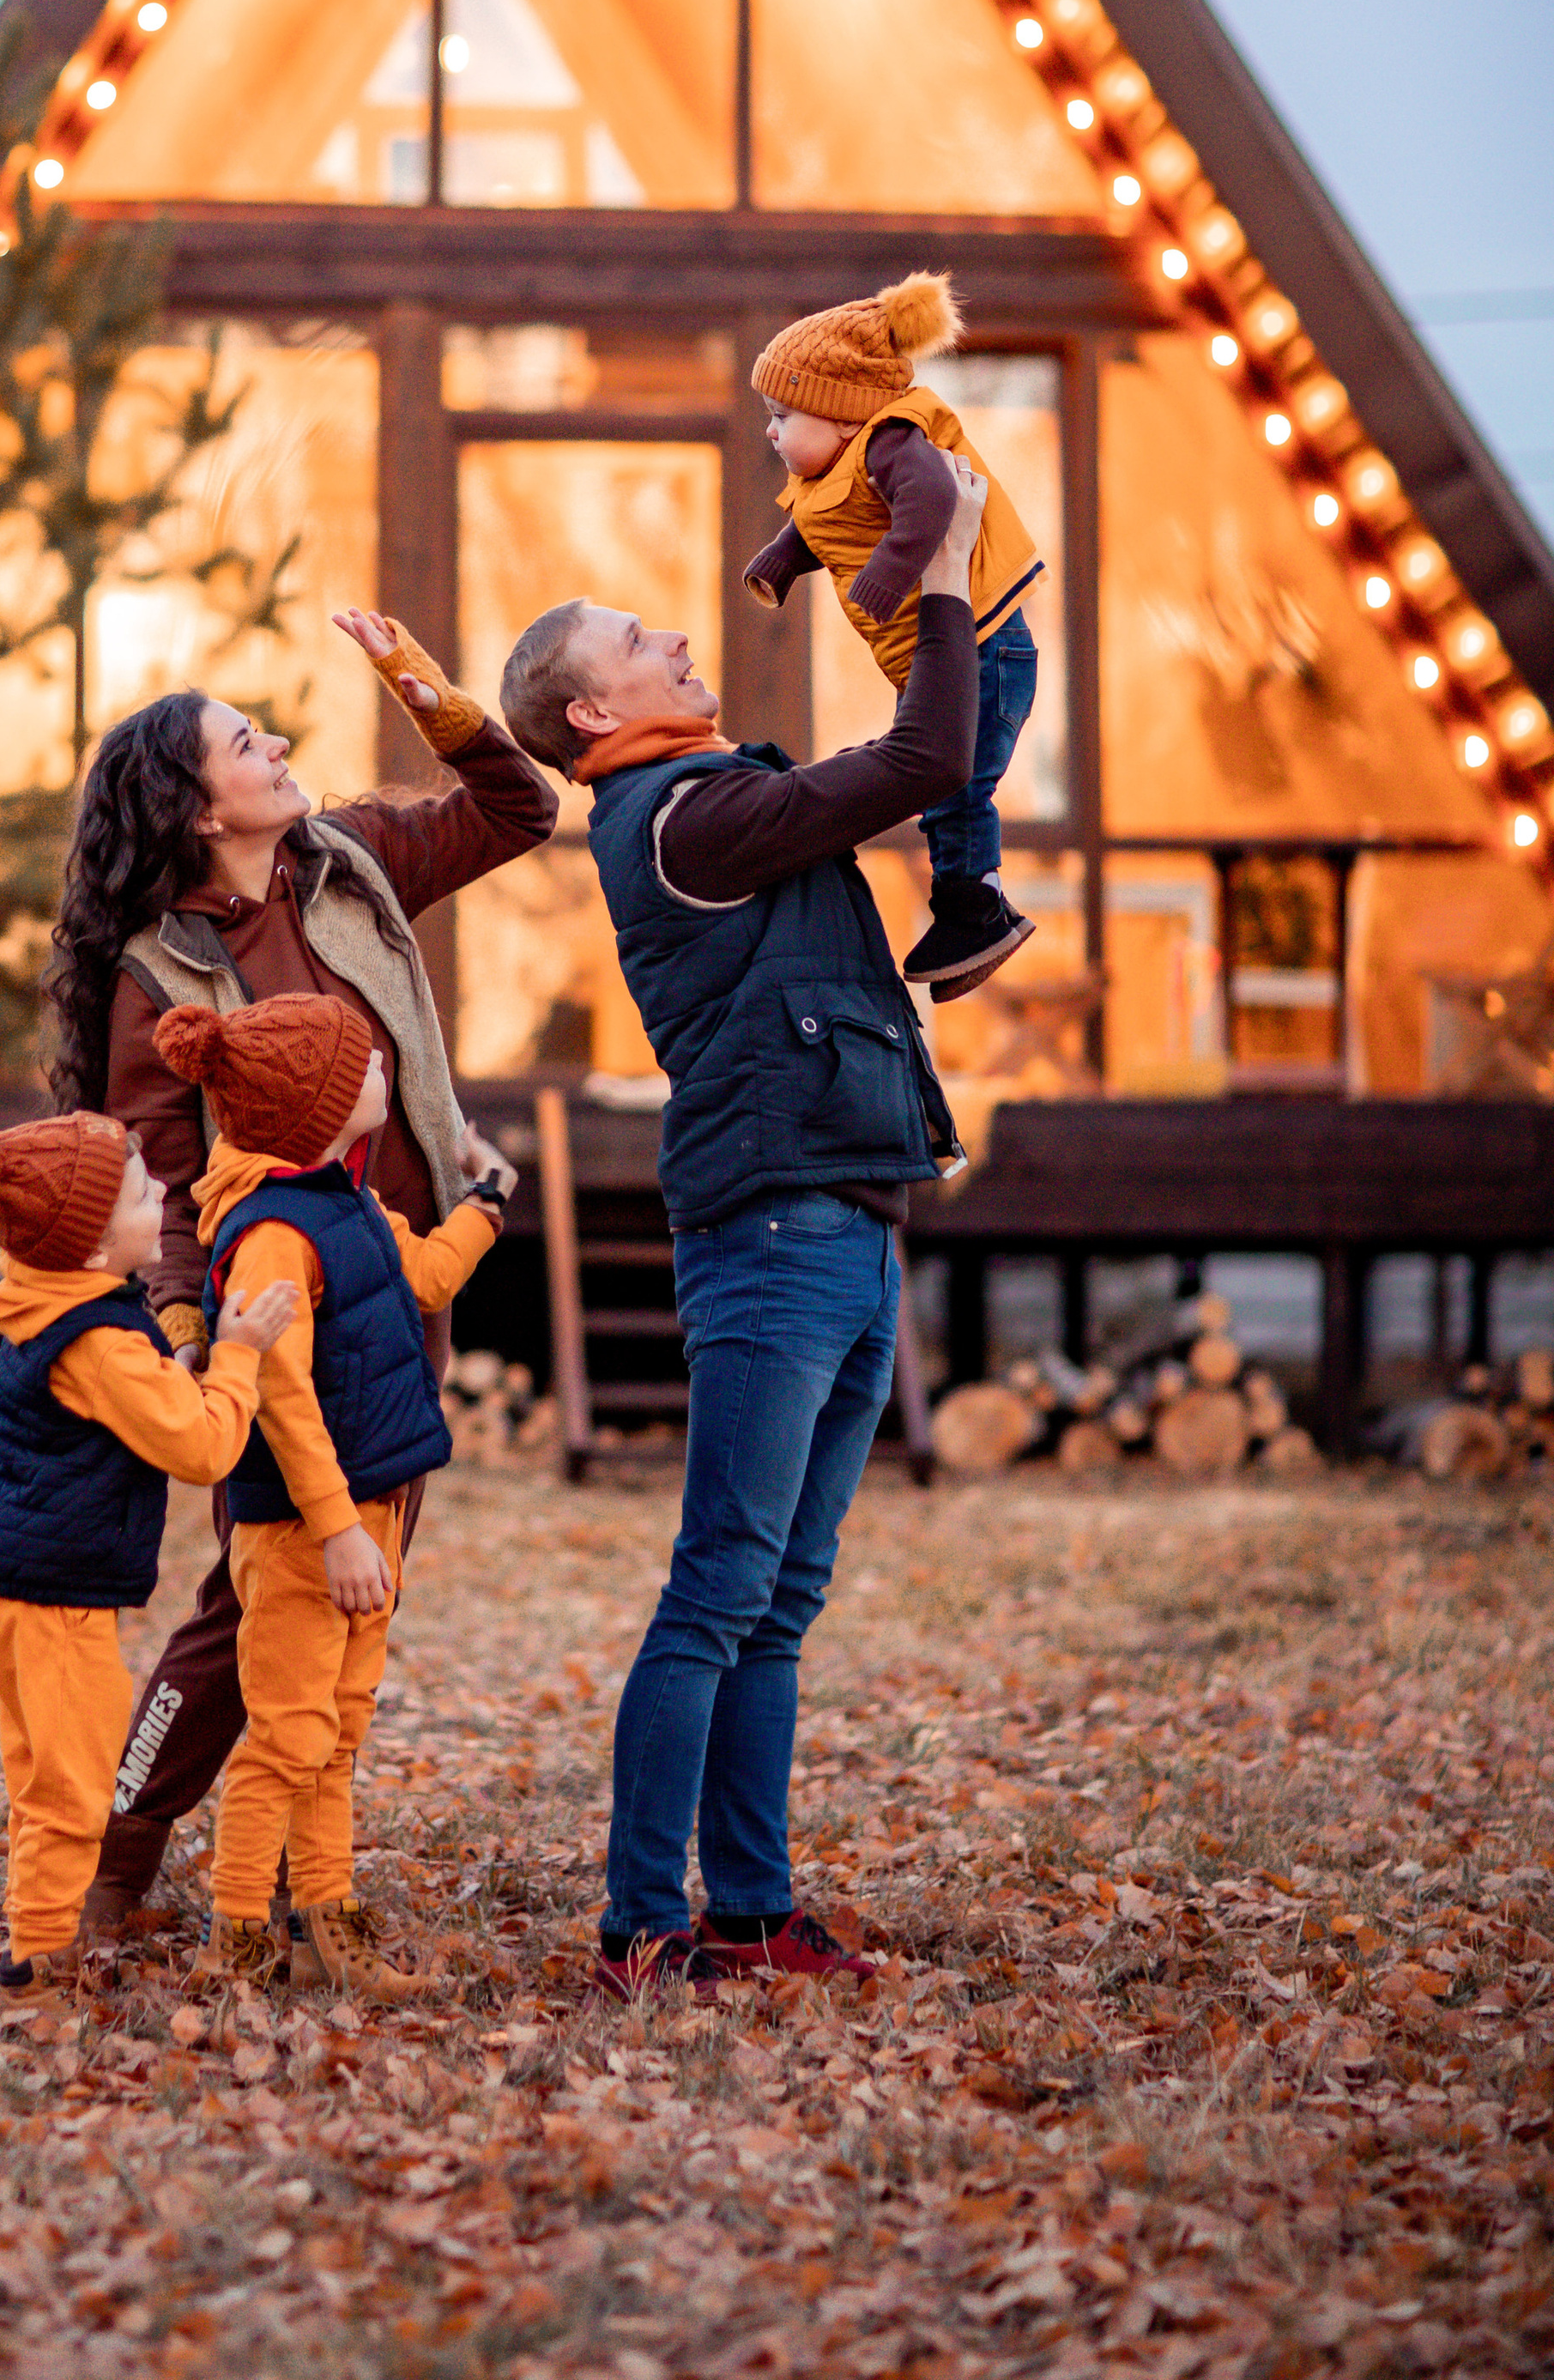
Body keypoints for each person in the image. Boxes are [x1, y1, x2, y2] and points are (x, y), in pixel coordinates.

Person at [499, 453, 985, 1999]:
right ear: (594, 713)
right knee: (722, 1584)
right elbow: (927, 756)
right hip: (774, 1238)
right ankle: (644, 1926)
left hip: (845, 1219)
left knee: (777, 1597)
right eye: (643, 642)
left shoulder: (712, 799)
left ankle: (753, 1909)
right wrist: (949, 567)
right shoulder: (686, 819)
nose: (681, 645)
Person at [43, 609, 557, 1940]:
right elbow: (149, 1162)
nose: (273, 743)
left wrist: (421, 685)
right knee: (257, 1590)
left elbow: (518, 806)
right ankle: (120, 1854)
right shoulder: (155, 970)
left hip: (402, 1278)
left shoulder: (355, 861)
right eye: (241, 740)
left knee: (358, 1574)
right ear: (196, 808)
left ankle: (290, 1861)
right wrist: (181, 1322)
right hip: (274, 1299)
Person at [154, 993, 514, 1995]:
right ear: (306, 1108)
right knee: (283, 1737)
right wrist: (338, 1529)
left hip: (371, 1514)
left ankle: (328, 1922)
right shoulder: (274, 1235)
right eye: (357, 1068)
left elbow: (428, 1279)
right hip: (308, 1531)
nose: (379, 1074)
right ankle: (235, 1940)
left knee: (338, 1727)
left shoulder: (346, 1198)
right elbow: (280, 1394)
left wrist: (485, 1203)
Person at [0, 1106, 299, 1989]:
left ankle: (36, 1938)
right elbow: (203, 1448)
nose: (162, 1189)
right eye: (138, 1194)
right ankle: (40, 1965)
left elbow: (148, 1393)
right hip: (59, 1607)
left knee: (38, 1776)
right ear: (91, 1246)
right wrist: (239, 1356)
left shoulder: (52, 1305)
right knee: (74, 1792)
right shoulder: (99, 1343)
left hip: (15, 1594)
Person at [741, 270, 1042, 998]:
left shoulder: (891, 441)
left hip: (989, 650)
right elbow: (824, 526)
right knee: (935, 776)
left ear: (843, 414)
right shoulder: (840, 467)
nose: (771, 430)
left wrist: (889, 569)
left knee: (956, 781)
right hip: (945, 657)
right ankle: (970, 902)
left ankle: (975, 910)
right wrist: (781, 560)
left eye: (785, 414)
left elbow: (933, 498)